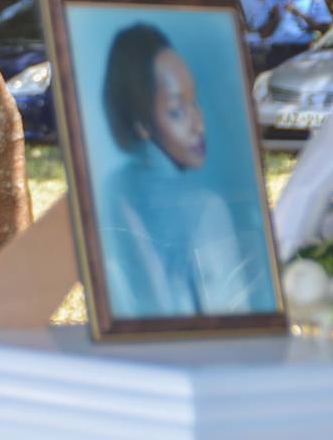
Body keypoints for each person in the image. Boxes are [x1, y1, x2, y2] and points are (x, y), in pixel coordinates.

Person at [100, 23, 260, 318]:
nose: (198, 124)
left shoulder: (109, 188)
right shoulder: (205, 207)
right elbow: (232, 317)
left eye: (194, 101)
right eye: (177, 110)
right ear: (140, 122)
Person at [256, 0, 333, 66]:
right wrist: (275, 18)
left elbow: (325, 26)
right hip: (277, 53)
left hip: (302, 52)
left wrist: (298, 13)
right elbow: (262, 34)